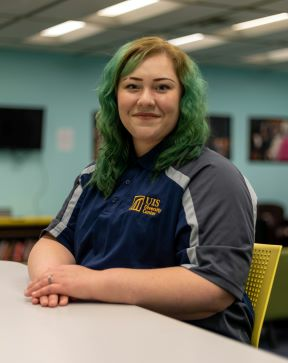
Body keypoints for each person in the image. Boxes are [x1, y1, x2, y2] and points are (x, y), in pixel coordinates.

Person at [25, 36, 257, 343]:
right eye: (132, 86)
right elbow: (55, 241)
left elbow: (213, 287)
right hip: (103, 332)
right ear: (115, 97)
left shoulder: (212, 177)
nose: (146, 99)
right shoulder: (95, 174)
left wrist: (92, 284)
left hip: (192, 343)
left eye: (162, 87)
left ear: (184, 98)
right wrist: (51, 281)